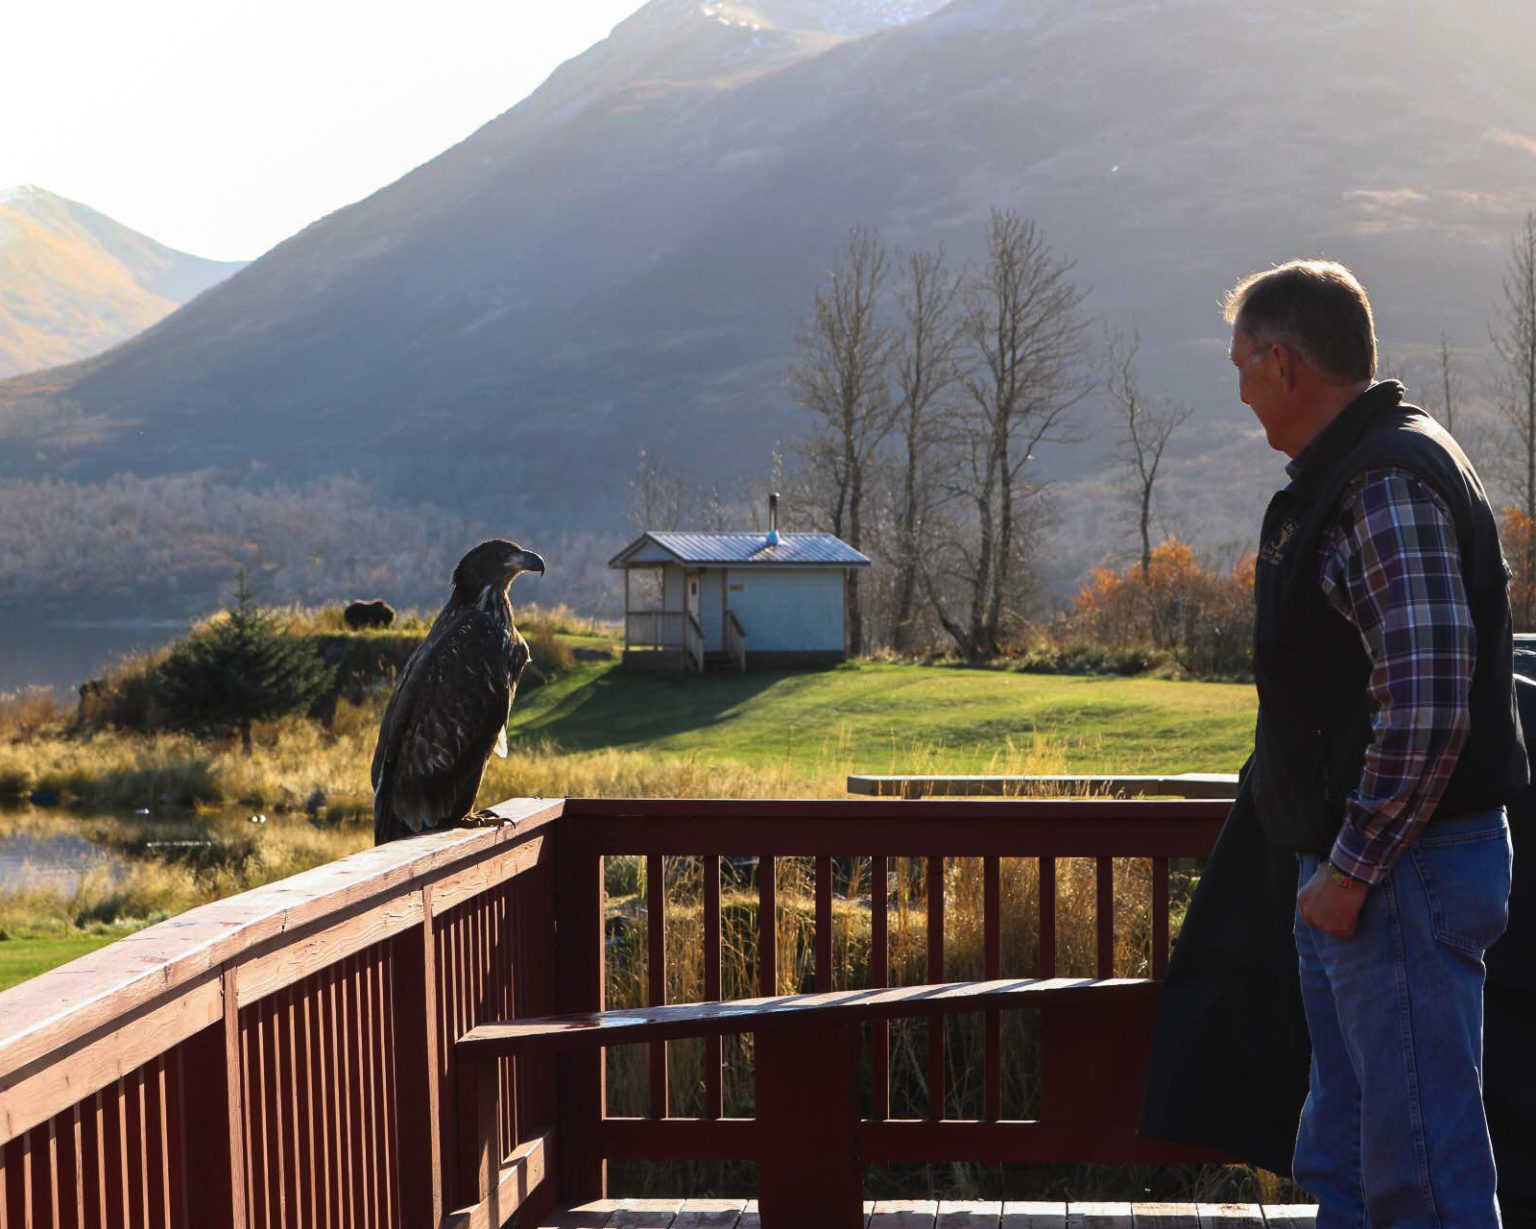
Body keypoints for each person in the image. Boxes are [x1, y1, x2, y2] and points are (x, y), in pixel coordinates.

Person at [1214, 259, 1526, 1224]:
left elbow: (1427, 699)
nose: (1237, 387)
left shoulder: (1382, 482)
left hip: (1398, 874)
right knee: (1350, 1156)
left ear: (1283, 363)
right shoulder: (1369, 466)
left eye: (1242, 364)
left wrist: (1350, 868)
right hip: (1381, 873)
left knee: (1417, 1175)